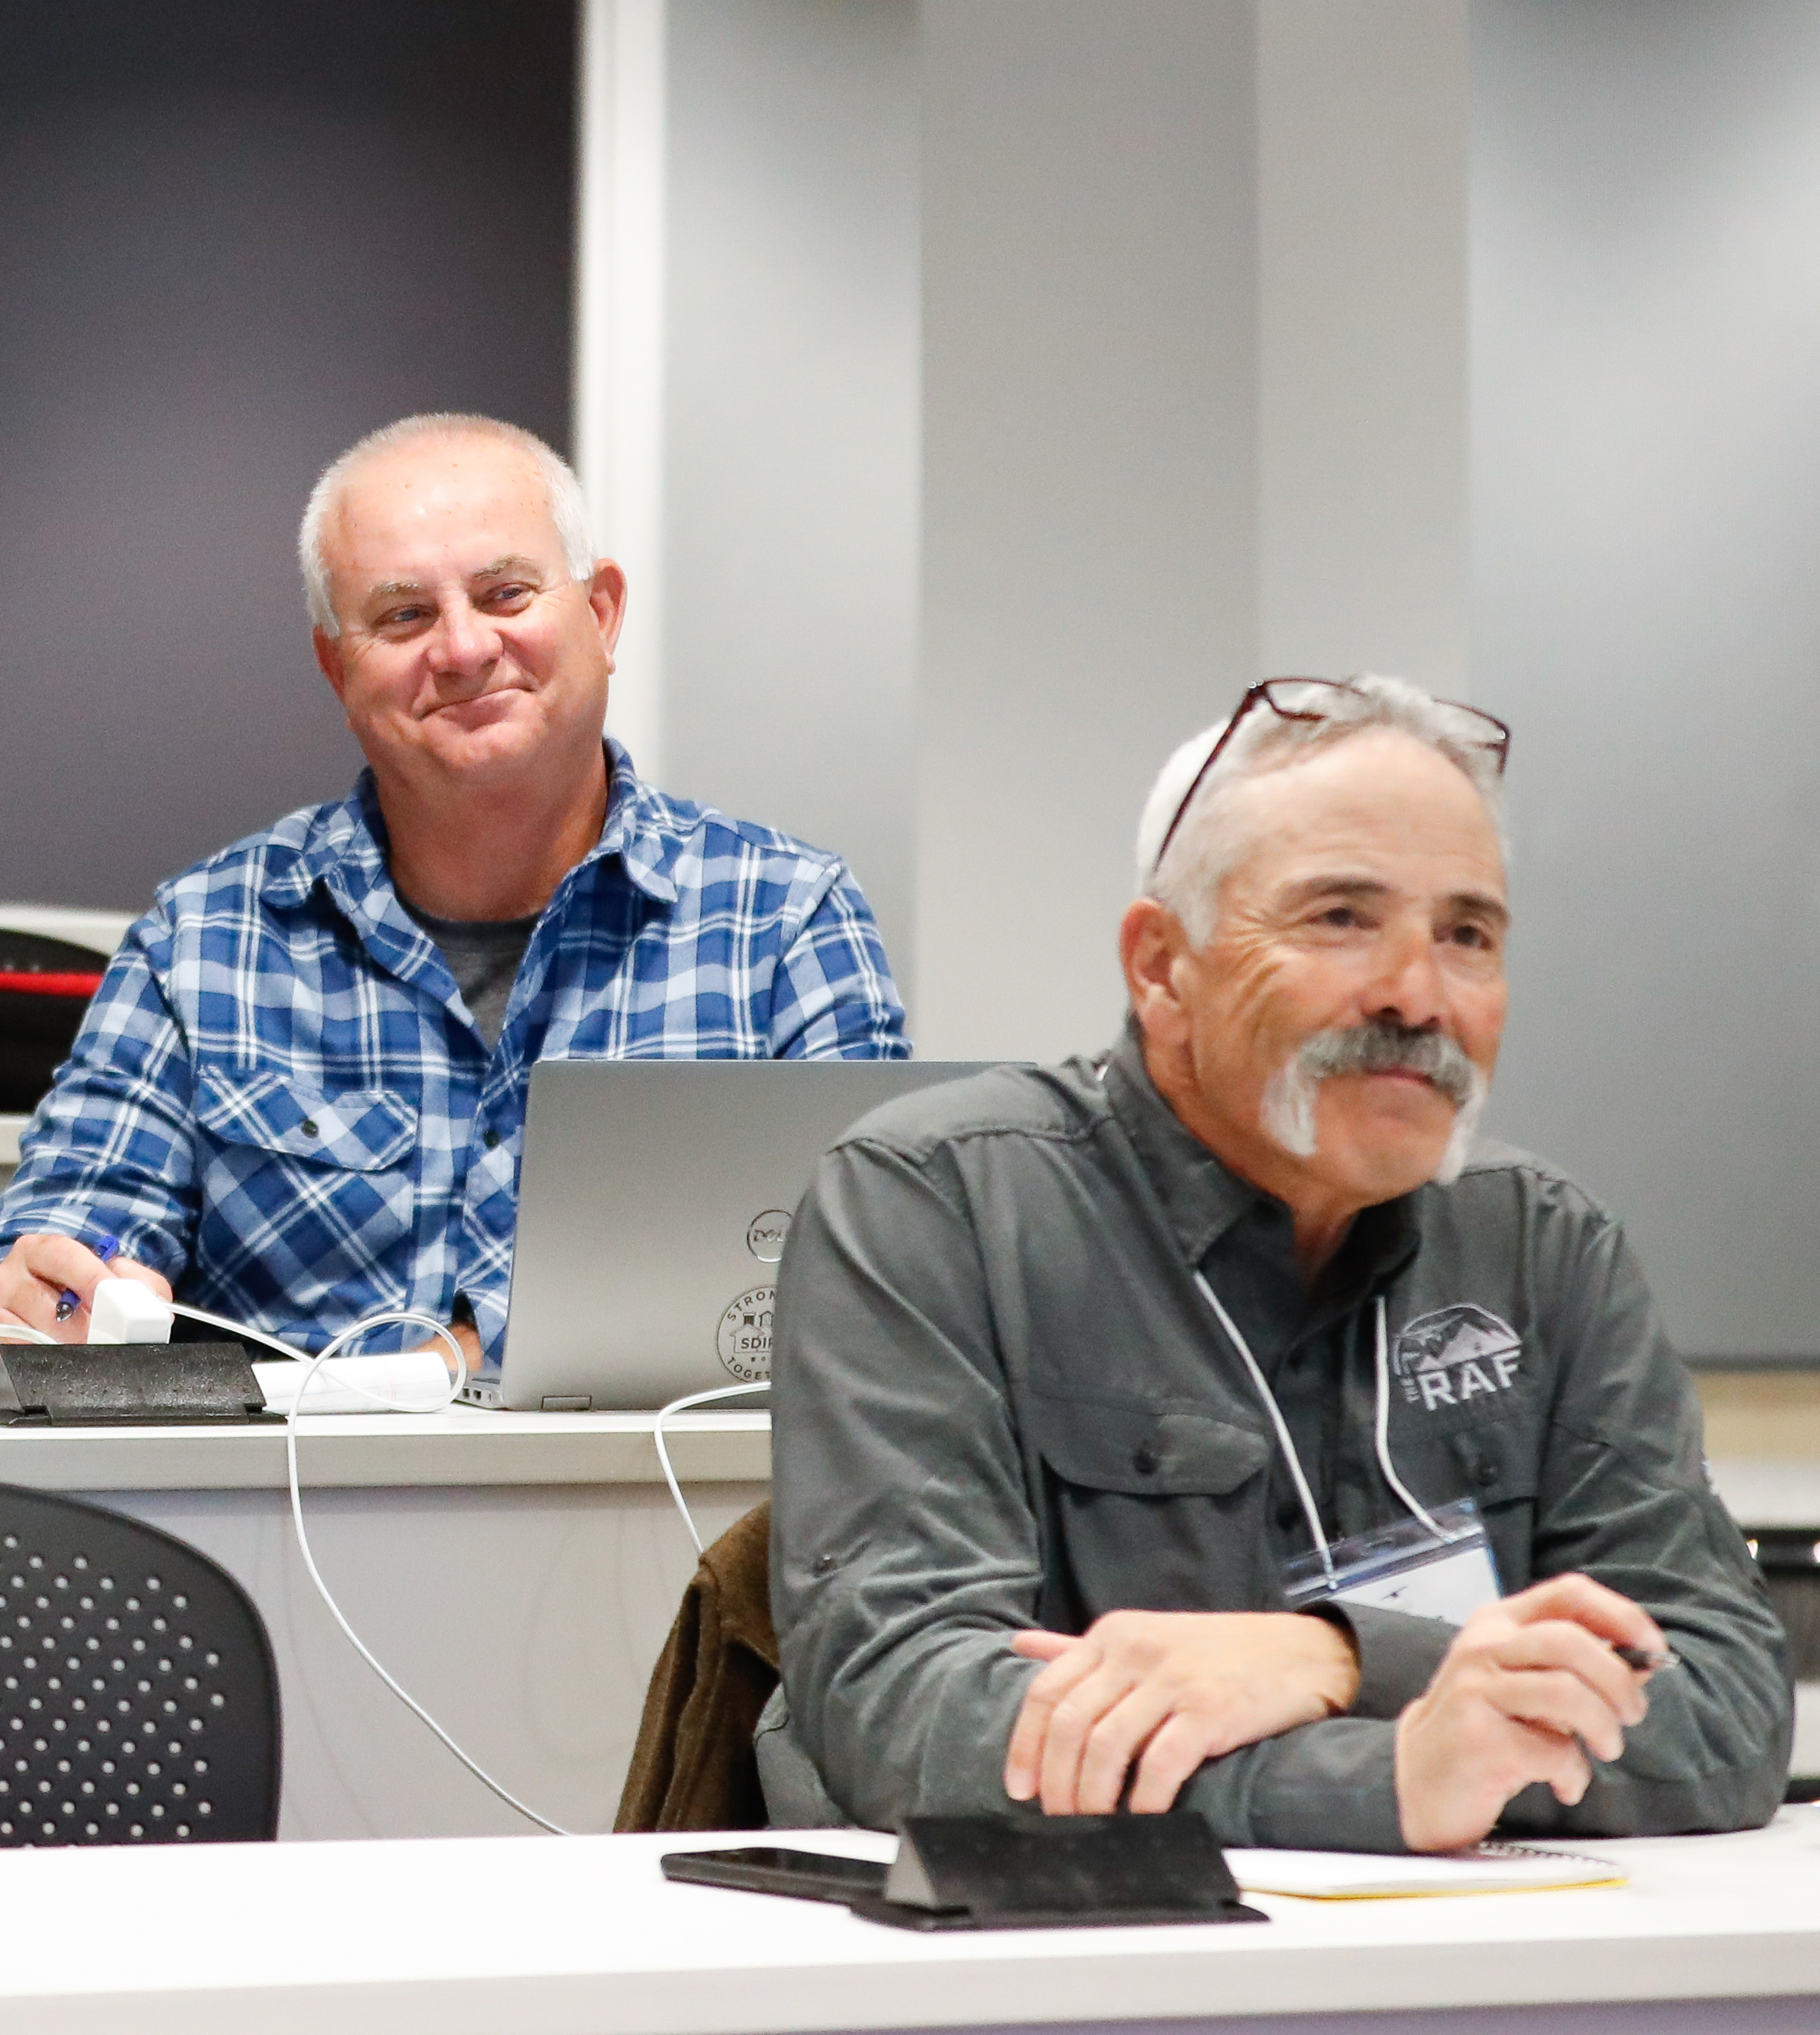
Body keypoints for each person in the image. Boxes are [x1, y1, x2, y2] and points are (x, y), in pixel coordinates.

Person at [764, 675, 1787, 1851]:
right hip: (1066, 1949)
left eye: (1466, 935)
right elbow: (909, 1715)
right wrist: (1394, 1774)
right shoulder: (937, 1204)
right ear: (1161, 967)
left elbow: (1721, 1702)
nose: (1417, 995)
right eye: (1340, 918)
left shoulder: (1542, 1243)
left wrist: (1334, 1658)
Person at [0, 413, 904, 1383]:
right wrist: (22, 1310)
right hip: (285, 1488)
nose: (464, 647)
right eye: (403, 616)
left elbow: (893, 1300)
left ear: (603, 614)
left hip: (666, 1483)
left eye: (506, 593)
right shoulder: (206, 941)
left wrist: (465, 1359)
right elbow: (38, 1252)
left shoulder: (783, 922)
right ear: (337, 667)